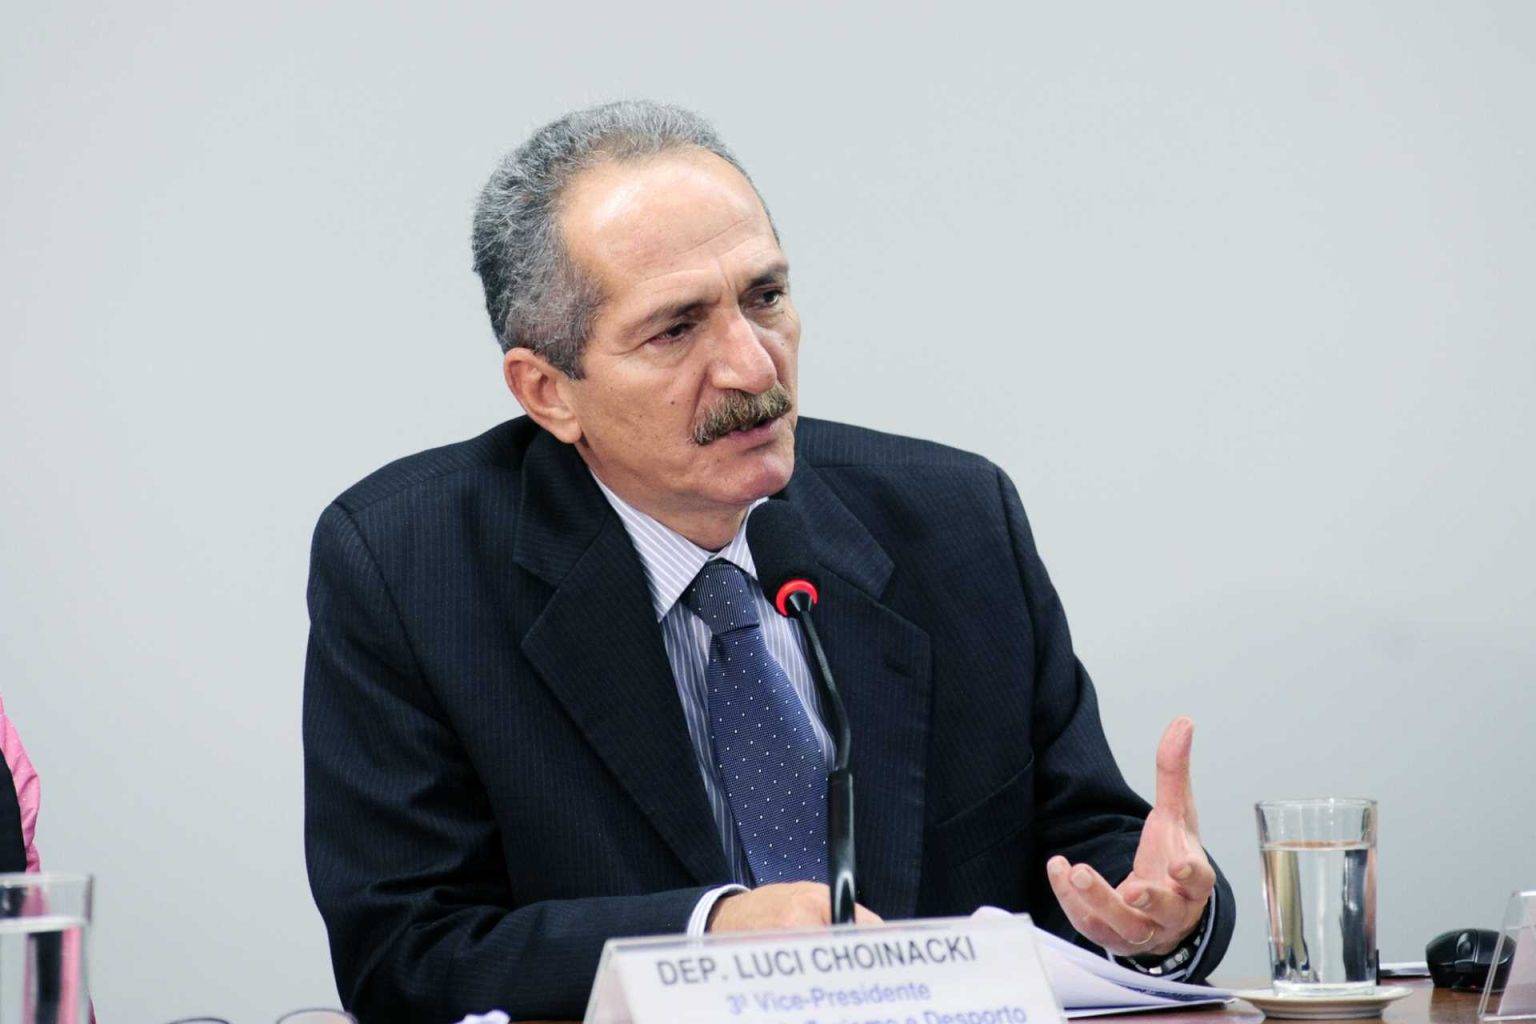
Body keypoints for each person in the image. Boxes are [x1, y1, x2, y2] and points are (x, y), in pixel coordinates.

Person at [303, 101, 1236, 1023]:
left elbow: (1091, 849)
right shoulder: (408, 569)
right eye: (676, 330)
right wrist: (710, 934)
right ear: (548, 391)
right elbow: (407, 951)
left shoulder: (955, 522)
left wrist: (1154, 920)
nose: (754, 368)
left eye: (765, 298)